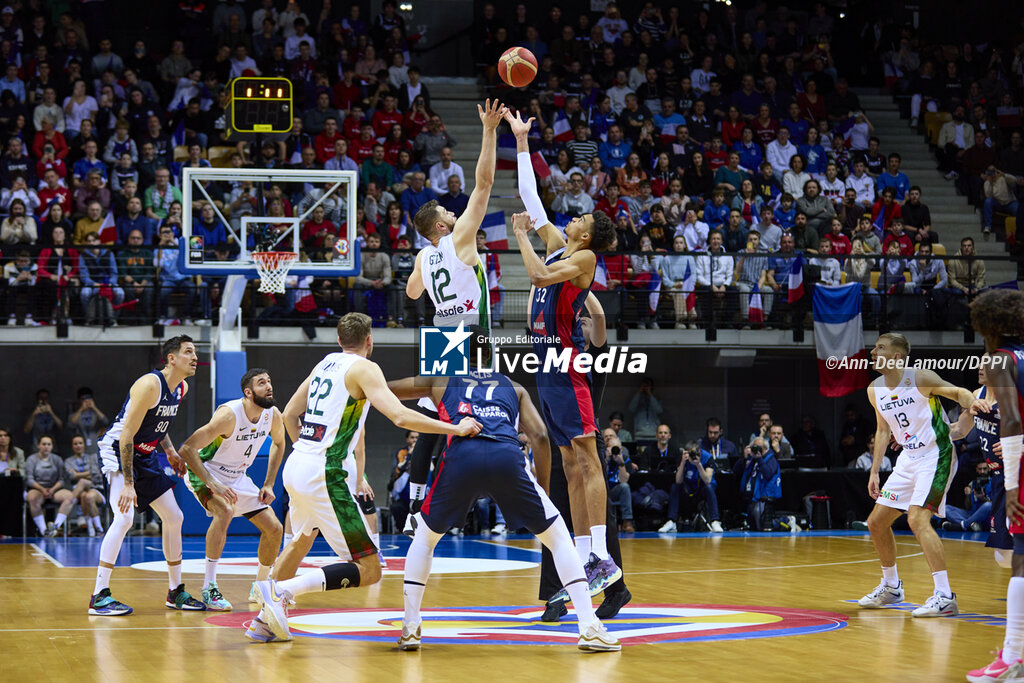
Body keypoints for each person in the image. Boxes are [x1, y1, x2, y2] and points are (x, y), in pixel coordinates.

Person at [247, 313, 482, 643]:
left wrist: (305, 447)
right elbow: (399, 416)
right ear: (369, 341)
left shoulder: (324, 363)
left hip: (298, 463)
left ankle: (263, 620)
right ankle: (280, 590)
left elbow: (288, 414)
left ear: (339, 340)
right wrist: (454, 427)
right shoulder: (365, 368)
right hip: (325, 473)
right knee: (370, 569)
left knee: (301, 539)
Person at [386, 328, 620, 652]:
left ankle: (411, 626)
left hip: (461, 458)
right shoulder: (515, 386)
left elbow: (388, 391)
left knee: (424, 539)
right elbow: (539, 437)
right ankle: (589, 625)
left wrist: (361, 386)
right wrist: (543, 488)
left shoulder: (440, 379)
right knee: (557, 537)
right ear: (491, 354)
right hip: (506, 458)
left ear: (461, 354)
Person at [506, 108, 621, 590]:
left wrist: (518, 237)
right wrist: (520, 141)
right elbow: (530, 196)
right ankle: (581, 556)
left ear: (588, 234)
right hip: (545, 364)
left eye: (581, 217)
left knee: (588, 459)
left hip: (568, 362)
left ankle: (601, 557)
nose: (573, 216)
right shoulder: (557, 242)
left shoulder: (584, 257)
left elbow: (535, 275)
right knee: (570, 466)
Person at [400, 100, 505, 526]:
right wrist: (488, 131)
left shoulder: (424, 257)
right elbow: (483, 183)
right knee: (488, 416)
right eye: (447, 212)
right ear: (442, 227)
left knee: (431, 422)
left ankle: (413, 508)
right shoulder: (460, 237)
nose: (454, 211)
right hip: (472, 334)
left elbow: (411, 293)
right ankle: (493, 506)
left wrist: (425, 262)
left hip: (441, 332)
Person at [857, 333, 984, 618]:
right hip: (907, 459)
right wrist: (875, 470)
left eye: (881, 348)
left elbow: (957, 392)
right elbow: (882, 430)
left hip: (935, 455)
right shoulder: (874, 389)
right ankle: (891, 587)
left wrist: (971, 401)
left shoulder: (920, 378)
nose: (873, 351)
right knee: (876, 522)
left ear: (898, 357)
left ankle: (945, 595)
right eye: (875, 346)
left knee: (917, 518)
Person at [88, 335, 205, 616]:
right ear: (171, 358)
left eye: (195, 352)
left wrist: (172, 452)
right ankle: (99, 595)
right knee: (125, 518)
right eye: (188, 352)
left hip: (146, 454)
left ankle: (175, 592)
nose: (195, 357)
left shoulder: (181, 388)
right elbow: (127, 434)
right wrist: (128, 483)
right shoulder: (149, 384)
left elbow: (157, 424)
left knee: (175, 517)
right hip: (118, 450)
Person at [176, 368, 285, 612]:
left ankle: (260, 586)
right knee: (224, 511)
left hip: (238, 477)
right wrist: (212, 483)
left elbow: (279, 443)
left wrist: (269, 482)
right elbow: (187, 449)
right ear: (248, 392)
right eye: (261, 383)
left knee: (275, 529)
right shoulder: (230, 415)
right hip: (205, 472)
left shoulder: (272, 415)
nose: (268, 386)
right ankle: (209, 587)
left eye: (269, 381)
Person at [964, 292, 1024, 681]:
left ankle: (1014, 656)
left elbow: (1014, 422)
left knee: (1021, 557)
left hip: (1019, 466)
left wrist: (1015, 485)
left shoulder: (1000, 359)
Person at [25, 435, 75, 537]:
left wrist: (52, 489)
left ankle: (55, 528)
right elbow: (29, 480)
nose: (46, 447)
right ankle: (44, 531)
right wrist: (42, 489)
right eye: (43, 444)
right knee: (31, 498)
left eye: (49, 444)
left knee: (70, 497)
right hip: (37, 489)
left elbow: (62, 479)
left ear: (52, 446)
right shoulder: (31, 459)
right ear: (38, 445)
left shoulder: (57, 459)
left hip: (54, 490)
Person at [65, 434, 105, 536]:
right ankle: (93, 529)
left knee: (82, 482)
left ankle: (69, 508)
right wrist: (87, 474)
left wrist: (77, 474)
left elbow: (95, 473)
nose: (78, 446)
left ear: (84, 445)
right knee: (84, 495)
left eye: (80, 443)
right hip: (79, 489)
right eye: (75, 444)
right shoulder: (68, 461)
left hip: (95, 486)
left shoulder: (92, 458)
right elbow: (71, 476)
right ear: (72, 446)